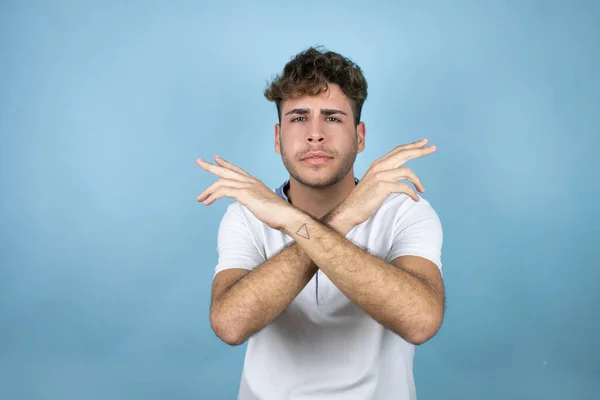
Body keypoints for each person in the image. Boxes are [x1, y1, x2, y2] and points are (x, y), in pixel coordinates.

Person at [196, 46, 445, 400]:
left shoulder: (405, 210)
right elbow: (230, 325)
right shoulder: (246, 214)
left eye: (331, 117)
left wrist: (291, 220)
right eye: (298, 118)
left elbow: (421, 321)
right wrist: (342, 218)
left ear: (360, 137)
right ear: (277, 136)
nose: (315, 134)